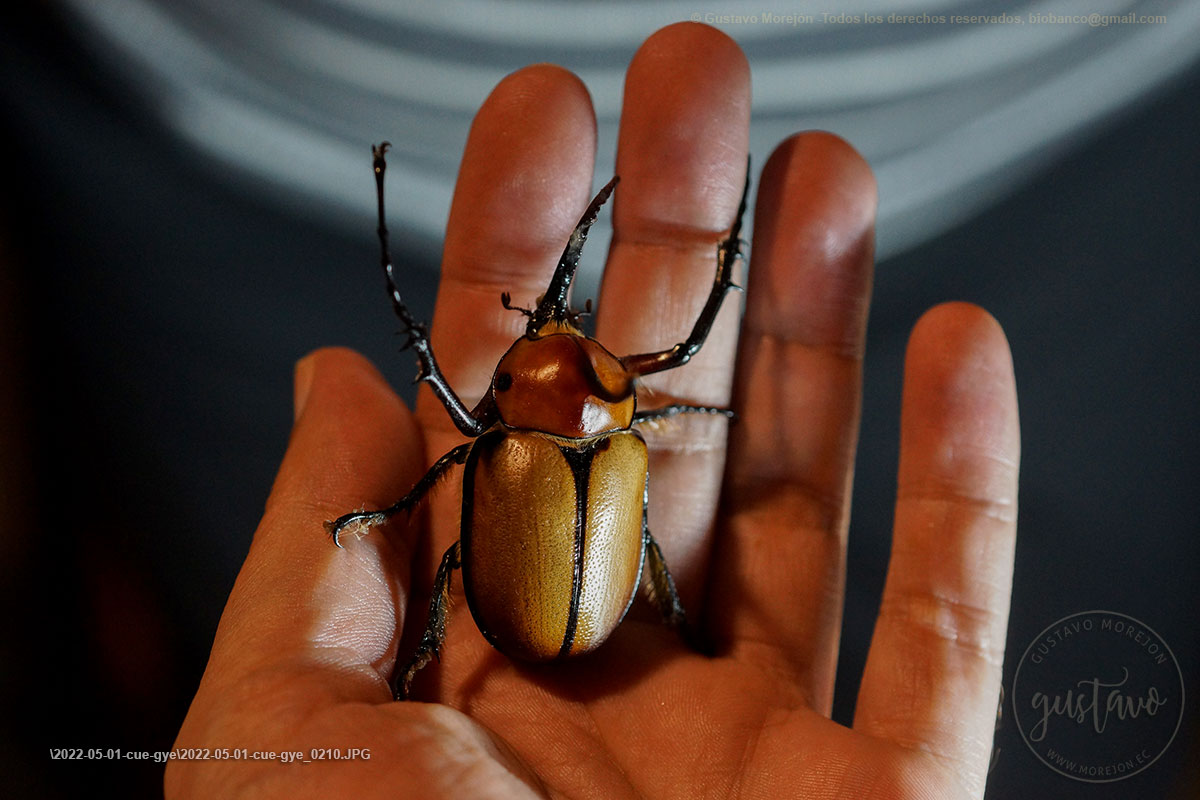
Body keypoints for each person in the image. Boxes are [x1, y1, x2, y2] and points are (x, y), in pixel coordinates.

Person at [166, 22, 1019, 799]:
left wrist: (397, 478)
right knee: (629, 495)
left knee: (457, 539)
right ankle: (668, 620)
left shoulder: (499, 443)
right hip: (582, 615)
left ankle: (435, 643)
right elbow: (681, 356)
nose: (560, 323)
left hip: (549, 615)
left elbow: (455, 413)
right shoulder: (626, 441)